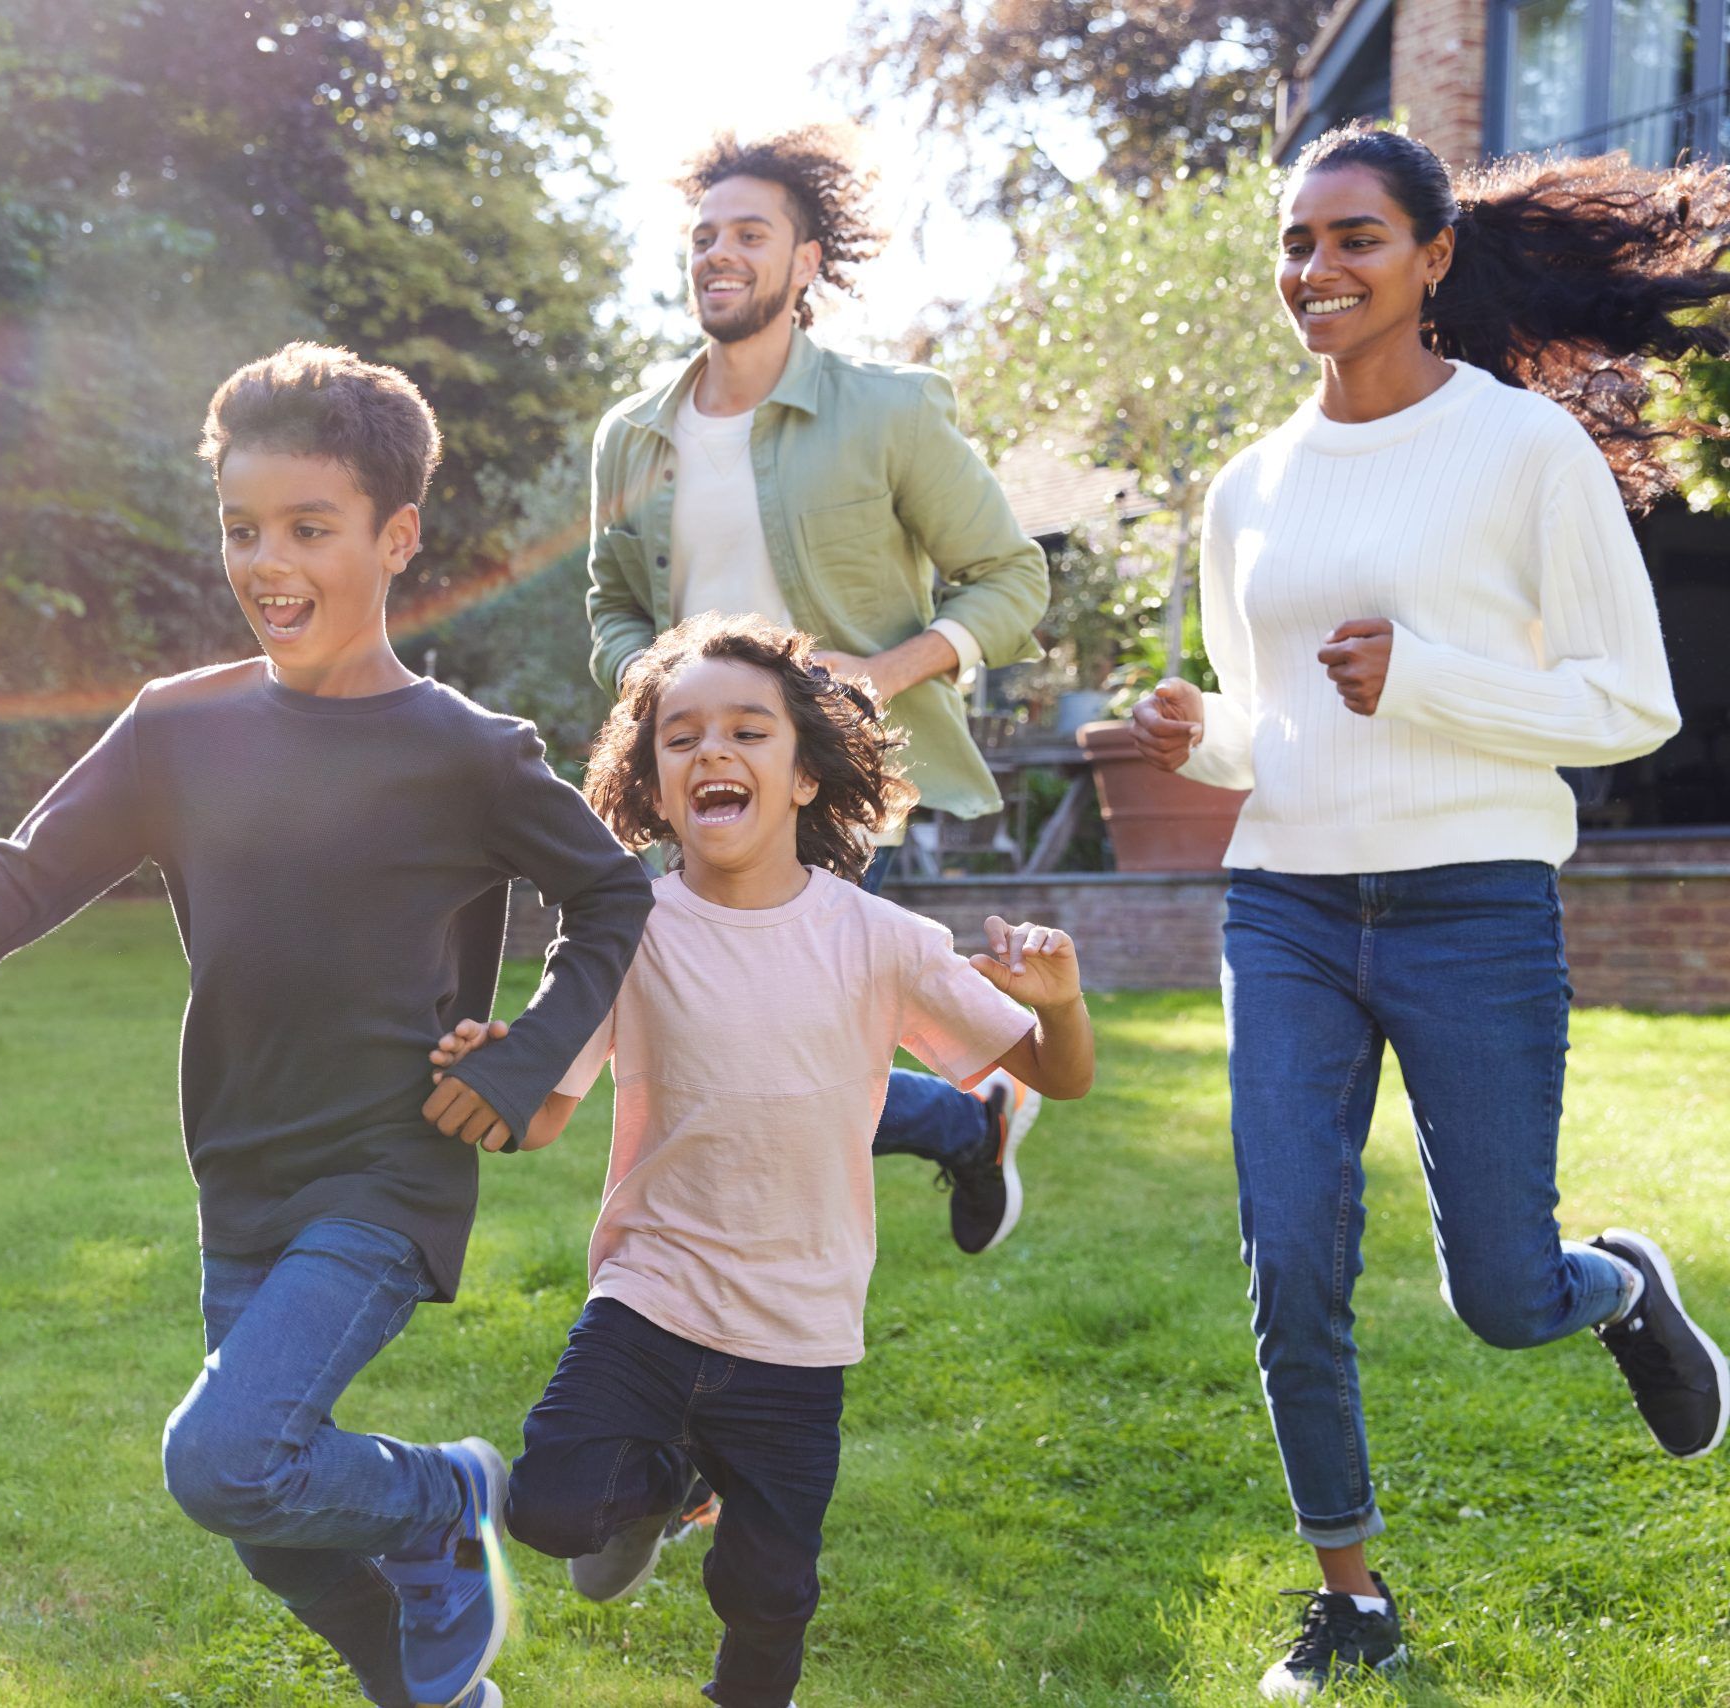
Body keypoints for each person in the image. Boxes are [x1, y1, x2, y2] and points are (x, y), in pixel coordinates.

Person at [0, 343, 656, 1708]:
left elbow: (614, 896)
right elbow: (23, 871)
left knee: (224, 1460)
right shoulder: (178, 732)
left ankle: (453, 1495)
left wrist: (533, 1050)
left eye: (308, 530)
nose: (268, 562)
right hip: (240, 1171)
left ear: (397, 538)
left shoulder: (464, 751)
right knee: (269, 1531)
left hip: (387, 1170)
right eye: (242, 529)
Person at [1128, 122, 1729, 1701]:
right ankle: (1353, 1597)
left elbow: (1631, 705)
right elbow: (1275, 734)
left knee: (1501, 1295)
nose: (1315, 271)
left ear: (1433, 258)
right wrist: (1202, 737)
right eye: (1297, 244)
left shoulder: (1523, 452)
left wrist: (1430, 676)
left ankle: (1612, 1289)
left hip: (1474, 904)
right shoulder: (1245, 486)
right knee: (1293, 1256)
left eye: (1355, 240)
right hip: (1289, 907)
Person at [435, 613, 1095, 1708]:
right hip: (648, 1297)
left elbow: (1053, 1073)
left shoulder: (874, 938)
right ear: (649, 781)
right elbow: (542, 1118)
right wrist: (491, 1069)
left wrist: (1061, 1003)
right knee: (550, 1507)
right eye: (681, 737)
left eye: (748, 730)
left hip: (797, 1331)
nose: (713, 753)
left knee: (770, 1592)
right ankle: (665, 1478)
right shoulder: (626, 929)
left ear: (803, 776)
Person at [584, 125, 1055, 1262]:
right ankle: (964, 1117)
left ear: (805, 264)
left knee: (758, 1037)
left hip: (835, 780)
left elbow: (1012, 577)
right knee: (716, 1039)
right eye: (702, 236)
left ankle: (746, 1290)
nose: (718, 254)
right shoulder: (631, 436)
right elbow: (608, 606)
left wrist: (883, 675)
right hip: (693, 776)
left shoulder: (884, 411)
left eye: (749, 234)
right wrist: (646, 691)